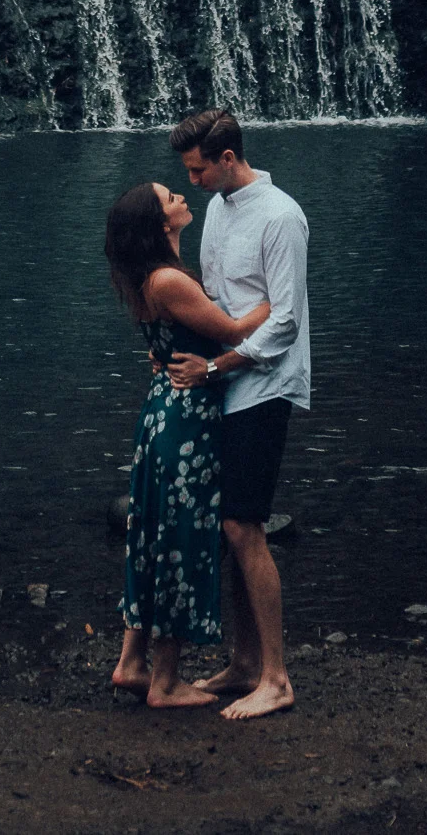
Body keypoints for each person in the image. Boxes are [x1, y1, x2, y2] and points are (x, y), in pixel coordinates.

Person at [104, 180, 272, 708]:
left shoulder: (146, 278)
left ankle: (132, 663)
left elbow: (175, 340)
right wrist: (278, 303)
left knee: (153, 533)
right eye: (170, 197)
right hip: (186, 421)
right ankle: (166, 682)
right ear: (161, 224)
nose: (181, 198)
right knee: (180, 537)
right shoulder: (170, 280)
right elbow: (236, 331)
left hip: (162, 413)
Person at [165, 109, 309, 721]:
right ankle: (245, 662)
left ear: (228, 158)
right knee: (228, 527)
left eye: (197, 169)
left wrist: (217, 366)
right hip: (224, 381)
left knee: (243, 526)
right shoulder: (220, 209)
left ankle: (276, 677)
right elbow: (221, 298)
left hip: (264, 384)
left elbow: (286, 320)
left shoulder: (281, 216)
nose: (191, 180)